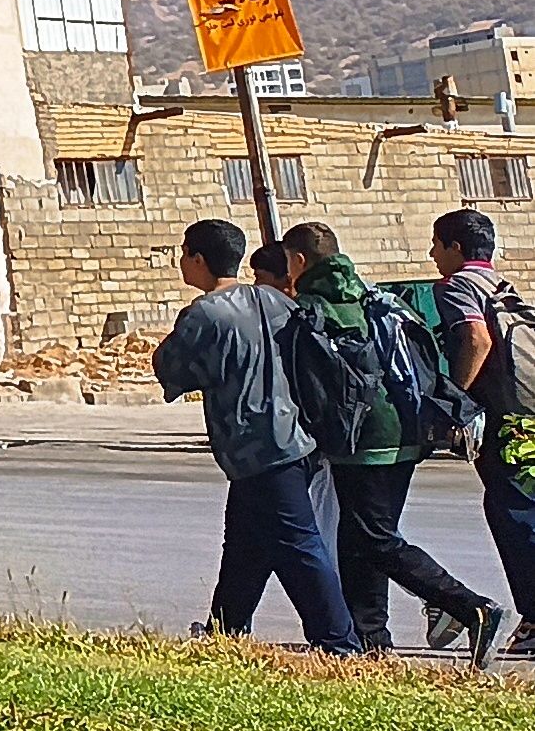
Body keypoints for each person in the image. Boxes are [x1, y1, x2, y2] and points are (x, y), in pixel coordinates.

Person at [279, 221, 501, 663]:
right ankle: (372, 641)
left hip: (364, 440)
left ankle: (470, 608)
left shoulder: (311, 308)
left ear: (300, 260)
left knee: (376, 538)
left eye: (288, 262)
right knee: (359, 536)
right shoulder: (372, 297)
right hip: (404, 429)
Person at [156, 221, 357, 654]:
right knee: (245, 543)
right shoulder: (275, 300)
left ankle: (340, 645)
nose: (181, 262)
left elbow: (170, 371)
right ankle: (226, 632)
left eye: (184, 253)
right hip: (295, 439)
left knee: (300, 547)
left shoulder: (204, 314)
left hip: (260, 448)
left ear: (199, 259)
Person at [429, 207, 535, 658]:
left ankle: (532, 619)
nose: (433, 253)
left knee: (513, 515)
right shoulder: (503, 287)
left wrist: (456, 398)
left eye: (437, 244)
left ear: (456, 248)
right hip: (527, 416)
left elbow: (476, 339)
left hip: (503, 421)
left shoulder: (456, 287)